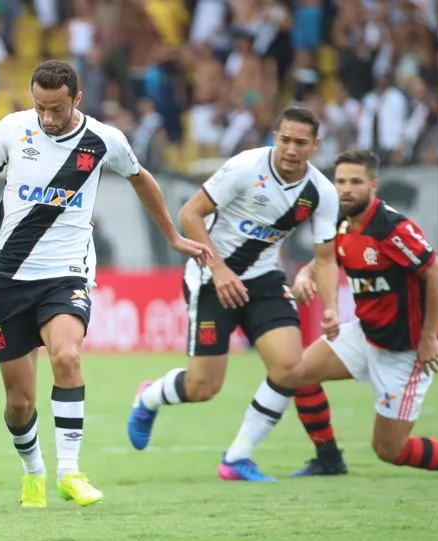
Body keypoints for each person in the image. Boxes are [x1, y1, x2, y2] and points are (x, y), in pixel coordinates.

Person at [0, 60, 211, 508]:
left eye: (56, 108)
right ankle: (33, 471)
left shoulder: (103, 140)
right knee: (20, 402)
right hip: (10, 277)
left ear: (77, 100)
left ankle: (70, 471)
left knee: (67, 354)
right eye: (40, 106)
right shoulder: (13, 129)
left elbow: (143, 181)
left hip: (67, 274)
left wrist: (173, 236)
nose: (47, 117)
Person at [126, 105, 342, 482]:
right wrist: (219, 268)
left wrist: (332, 308)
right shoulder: (246, 167)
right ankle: (148, 396)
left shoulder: (321, 193)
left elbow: (325, 259)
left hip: (264, 281)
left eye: (301, 143)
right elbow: (190, 214)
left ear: (315, 145)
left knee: (291, 369)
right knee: (203, 387)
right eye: (286, 140)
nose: (292, 149)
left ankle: (237, 457)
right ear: (276, 136)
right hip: (210, 278)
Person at [226, 149, 438, 475]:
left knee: (390, 449)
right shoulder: (341, 222)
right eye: (340, 181)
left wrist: (429, 337)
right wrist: (304, 275)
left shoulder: (391, 229)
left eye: (355, 182)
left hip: (404, 349)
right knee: (296, 372)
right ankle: (329, 459)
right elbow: (325, 259)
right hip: (365, 333)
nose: (346, 189)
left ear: (374, 185)